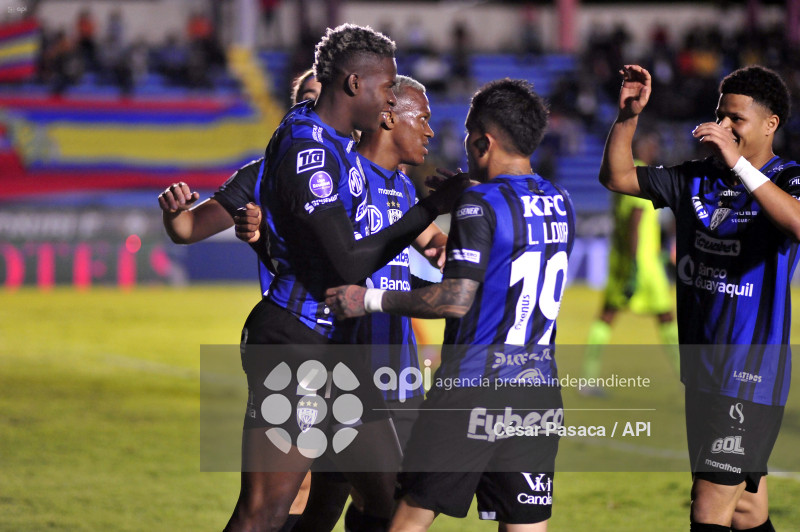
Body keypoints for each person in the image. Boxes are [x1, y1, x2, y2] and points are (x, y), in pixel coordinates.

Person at [226, 24, 465, 532]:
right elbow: (348, 265)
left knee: (386, 503)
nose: (390, 101)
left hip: (336, 352)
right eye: (387, 88)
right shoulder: (308, 150)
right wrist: (429, 210)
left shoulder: (333, 143)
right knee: (264, 511)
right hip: (296, 341)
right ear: (355, 84)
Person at [326, 78, 575, 532]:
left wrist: (369, 298)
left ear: (483, 141)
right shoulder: (561, 202)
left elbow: (455, 299)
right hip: (537, 392)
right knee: (526, 525)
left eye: (467, 134)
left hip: (472, 390)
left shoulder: (480, 202)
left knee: (406, 521)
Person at [598, 64, 800, 532]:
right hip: (703, 371)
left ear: (770, 124)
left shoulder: (788, 177)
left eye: (736, 119)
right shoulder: (696, 178)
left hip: (749, 375)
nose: (723, 126)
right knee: (746, 511)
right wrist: (628, 117)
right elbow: (618, 176)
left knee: (708, 509)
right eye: (720, 115)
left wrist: (740, 165)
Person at [581, 131, 678, 394]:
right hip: (642, 264)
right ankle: (687, 378)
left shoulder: (623, 173)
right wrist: (636, 265)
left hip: (623, 258)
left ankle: (588, 378)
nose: (655, 149)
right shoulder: (640, 175)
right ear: (641, 148)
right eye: (651, 145)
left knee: (608, 314)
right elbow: (635, 219)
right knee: (666, 316)